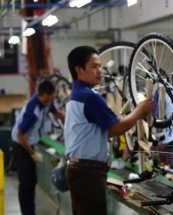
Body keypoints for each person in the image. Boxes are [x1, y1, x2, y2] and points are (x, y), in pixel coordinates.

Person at [64, 46, 154, 215]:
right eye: (94, 66)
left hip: (80, 170)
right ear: (78, 70)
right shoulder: (89, 97)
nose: (100, 71)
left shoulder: (76, 94)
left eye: (100, 66)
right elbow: (115, 128)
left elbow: (108, 132)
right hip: (88, 173)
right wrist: (140, 110)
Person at [11, 80, 65, 215]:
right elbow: (20, 135)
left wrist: (71, 121)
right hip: (20, 147)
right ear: (42, 95)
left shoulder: (47, 102)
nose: (50, 102)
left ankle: (30, 211)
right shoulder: (32, 111)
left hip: (28, 144)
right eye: (49, 99)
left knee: (32, 180)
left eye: (52, 98)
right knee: (26, 183)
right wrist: (32, 153)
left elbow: (57, 113)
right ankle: (27, 213)